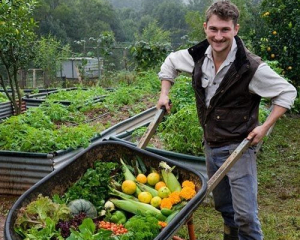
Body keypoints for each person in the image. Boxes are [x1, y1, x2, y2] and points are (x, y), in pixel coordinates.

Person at [156, 1, 297, 239]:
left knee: (245, 215)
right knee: (225, 207)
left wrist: (264, 127)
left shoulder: (250, 67)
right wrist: (164, 93)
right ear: (205, 27)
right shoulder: (197, 56)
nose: (218, 36)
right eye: (213, 29)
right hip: (212, 144)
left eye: (225, 30)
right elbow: (170, 62)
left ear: (235, 29)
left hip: (240, 146)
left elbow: (287, 92)